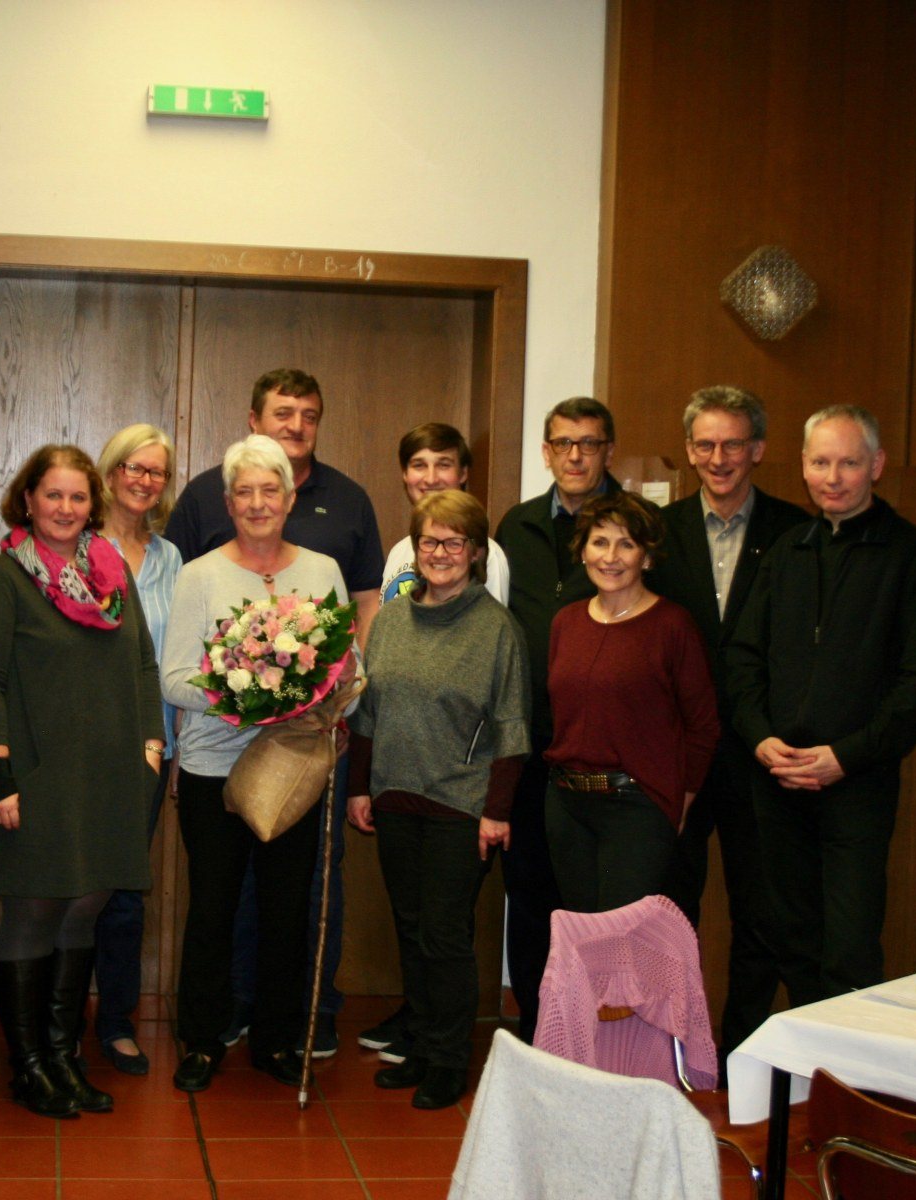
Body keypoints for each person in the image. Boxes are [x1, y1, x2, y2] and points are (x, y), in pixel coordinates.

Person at [166, 368, 383, 1056]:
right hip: (212, 768)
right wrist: (245, 692)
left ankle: (281, 1042)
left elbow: (343, 663)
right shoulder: (199, 574)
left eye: (271, 491)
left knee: (291, 912)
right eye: (244, 492)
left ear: (290, 498)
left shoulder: (321, 571)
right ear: (227, 501)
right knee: (214, 911)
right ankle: (201, 1041)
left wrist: (322, 690)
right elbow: (173, 678)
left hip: (295, 767)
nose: (258, 503)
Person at [725, 404, 916, 1006]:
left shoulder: (911, 555)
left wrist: (845, 756)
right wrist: (758, 737)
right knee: (791, 939)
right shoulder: (785, 551)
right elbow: (743, 660)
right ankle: (804, 1079)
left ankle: (846, 1089)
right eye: (821, 462)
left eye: (848, 462)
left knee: (848, 948)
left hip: (856, 782)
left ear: (875, 466)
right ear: (802, 466)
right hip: (777, 778)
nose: (833, 476)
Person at [0, 444, 162, 1119]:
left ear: (94, 506)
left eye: (78, 498)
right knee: (35, 911)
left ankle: (63, 1058)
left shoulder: (113, 576)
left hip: (111, 770)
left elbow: (143, 664)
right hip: (37, 771)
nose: (65, 509)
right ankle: (28, 1067)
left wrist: (150, 746)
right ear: (27, 499)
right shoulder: (1, 577)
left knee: (86, 907)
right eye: (52, 495)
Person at [347, 489, 527, 1109]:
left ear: (476, 552)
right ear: (415, 549)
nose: (442, 553)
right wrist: (359, 790)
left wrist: (498, 810)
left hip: (462, 804)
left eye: (455, 542)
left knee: (445, 935)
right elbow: (370, 710)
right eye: (431, 541)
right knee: (411, 926)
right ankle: (421, 1044)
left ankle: (450, 1060)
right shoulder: (392, 618)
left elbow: (512, 725)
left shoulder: (496, 628)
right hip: (394, 794)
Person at [652, 386, 809, 1058]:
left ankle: (744, 1050)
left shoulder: (796, 532)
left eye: (733, 444)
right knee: (671, 910)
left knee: (761, 916)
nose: (720, 458)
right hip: (679, 755)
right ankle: (674, 1047)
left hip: (761, 752)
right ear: (689, 451)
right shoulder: (657, 530)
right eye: (706, 445)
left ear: (759, 450)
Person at [494, 396, 651, 1039]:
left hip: (611, 755)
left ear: (609, 450)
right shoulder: (518, 526)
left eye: (589, 443)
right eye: (563, 444)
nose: (576, 456)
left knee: (603, 907)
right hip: (529, 744)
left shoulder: (638, 525)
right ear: (546, 452)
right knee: (531, 899)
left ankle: (606, 1037)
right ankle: (541, 1030)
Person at [545, 492, 718, 912]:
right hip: (567, 806)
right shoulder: (566, 622)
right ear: (582, 550)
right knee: (582, 940)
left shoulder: (672, 625)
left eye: (627, 544)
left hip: (637, 810)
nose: (611, 556)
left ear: (647, 556)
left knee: (621, 942)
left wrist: (682, 800)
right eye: (600, 542)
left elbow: (703, 725)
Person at [90, 423, 183, 1076]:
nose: (144, 480)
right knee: (69, 887)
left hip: (152, 748)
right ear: (111, 470)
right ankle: (54, 1014)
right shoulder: (76, 542)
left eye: (156, 471)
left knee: (125, 888)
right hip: (80, 746)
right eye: (134, 467)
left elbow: (177, 657)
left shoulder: (172, 559)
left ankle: (115, 1020)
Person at [379, 422, 509, 606]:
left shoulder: (485, 554)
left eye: (443, 465)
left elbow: (490, 629)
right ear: (405, 474)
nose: (431, 478)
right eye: (419, 465)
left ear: (463, 473)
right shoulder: (399, 551)